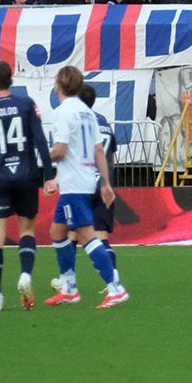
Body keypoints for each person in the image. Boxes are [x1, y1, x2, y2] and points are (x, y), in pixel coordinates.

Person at [0, 60, 54, 311]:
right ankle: (25, 274)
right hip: (26, 176)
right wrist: (48, 175)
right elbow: (40, 142)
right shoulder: (26, 105)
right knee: (27, 231)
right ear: (11, 81)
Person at [44, 66, 128, 309]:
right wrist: (106, 183)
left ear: (58, 85)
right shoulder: (87, 112)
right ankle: (69, 288)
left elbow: (59, 151)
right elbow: (99, 150)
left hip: (74, 184)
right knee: (57, 232)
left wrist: (39, 158)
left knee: (85, 235)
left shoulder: (62, 112)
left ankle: (115, 287)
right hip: (83, 181)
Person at [79, 83, 122, 287]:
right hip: (104, 184)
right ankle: (113, 279)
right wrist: (107, 181)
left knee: (69, 232)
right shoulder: (104, 122)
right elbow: (111, 156)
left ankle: (66, 279)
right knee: (102, 235)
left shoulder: (79, 120)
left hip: (83, 183)